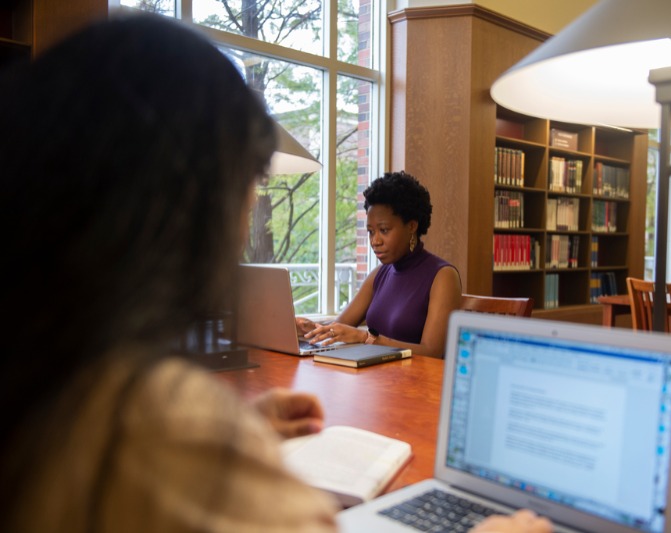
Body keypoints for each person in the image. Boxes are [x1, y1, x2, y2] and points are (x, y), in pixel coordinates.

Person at [0, 13, 551, 533]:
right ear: (191, 206)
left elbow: (425, 351)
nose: (246, 219)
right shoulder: (152, 425)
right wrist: (207, 444)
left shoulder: (50, 383)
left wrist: (228, 436)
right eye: (250, 187)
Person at [298, 171, 462, 358]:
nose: (375, 241)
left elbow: (433, 352)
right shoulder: (380, 274)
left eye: (384, 230)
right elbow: (338, 327)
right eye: (370, 231)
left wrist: (366, 338)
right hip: (376, 380)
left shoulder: (443, 276)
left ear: (412, 226)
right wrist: (305, 328)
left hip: (415, 383)